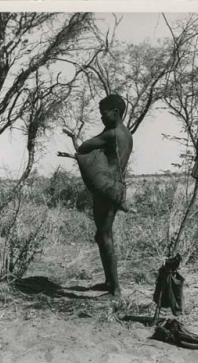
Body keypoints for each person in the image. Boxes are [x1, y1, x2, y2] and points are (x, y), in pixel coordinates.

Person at [65, 94, 133, 297]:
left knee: (104, 236)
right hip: (115, 186)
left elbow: (85, 146)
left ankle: (116, 289)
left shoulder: (112, 134)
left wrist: (80, 144)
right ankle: (109, 283)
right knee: (102, 235)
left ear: (116, 113)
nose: (102, 118)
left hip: (107, 189)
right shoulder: (125, 133)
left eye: (104, 114)